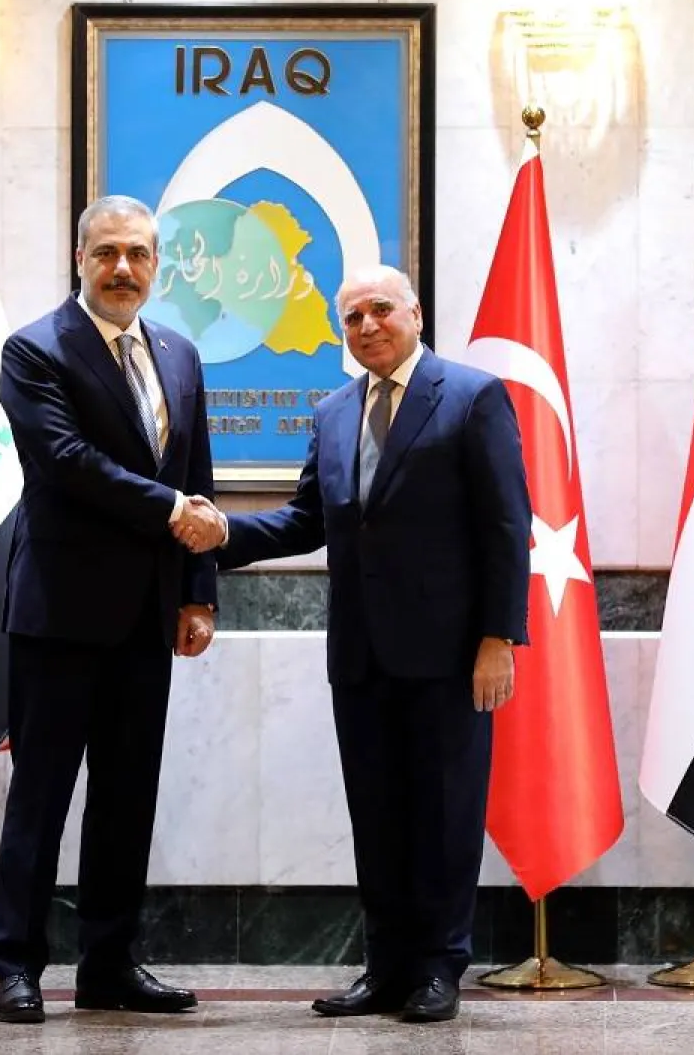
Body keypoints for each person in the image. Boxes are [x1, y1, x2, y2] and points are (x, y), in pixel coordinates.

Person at [187, 265, 531, 1023]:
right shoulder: (334, 411)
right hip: (361, 656)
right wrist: (220, 537)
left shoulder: (472, 397)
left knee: (444, 814)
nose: (368, 325)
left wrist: (499, 637)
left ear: (414, 311)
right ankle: (386, 969)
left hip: (450, 658)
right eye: (352, 318)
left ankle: (440, 969)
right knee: (376, 815)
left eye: (381, 310)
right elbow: (307, 520)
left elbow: (507, 527)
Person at [0, 195, 227, 1024]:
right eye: (107, 253)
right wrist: (169, 512)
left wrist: (198, 594)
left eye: (138, 254)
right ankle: (16, 966)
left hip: (146, 620)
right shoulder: (35, 350)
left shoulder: (181, 354)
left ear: (158, 265)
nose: (123, 268)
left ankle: (110, 964)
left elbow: (196, 472)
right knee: (42, 796)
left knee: (128, 798)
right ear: (79, 259)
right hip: (57, 617)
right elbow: (63, 461)